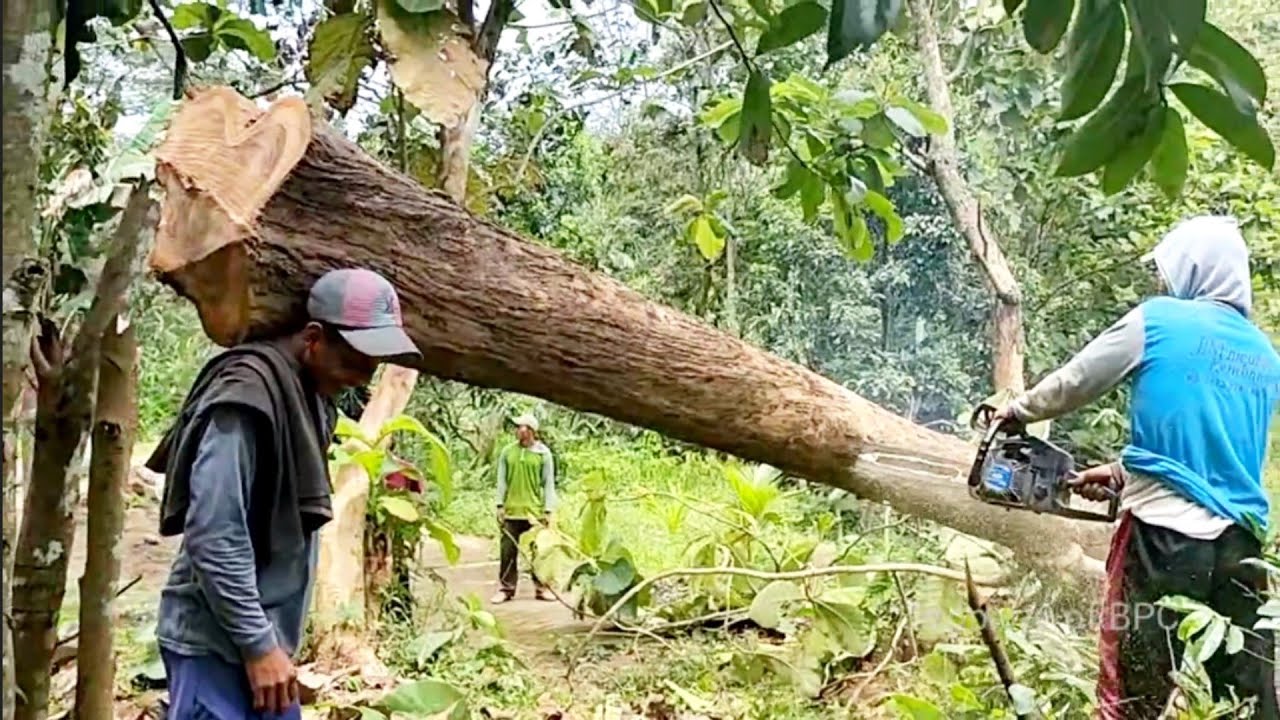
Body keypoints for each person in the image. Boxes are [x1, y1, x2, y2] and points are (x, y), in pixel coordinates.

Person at [994, 216, 1279, 719]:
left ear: (1193, 269)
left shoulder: (1161, 319)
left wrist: (1018, 410)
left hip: (1163, 542)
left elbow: (1079, 379)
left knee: (1134, 692)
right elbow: (1211, 448)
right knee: (1250, 698)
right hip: (1242, 551)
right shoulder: (1264, 355)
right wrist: (1125, 470)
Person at [146, 268, 420, 719]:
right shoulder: (246, 397)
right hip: (219, 647)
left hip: (260, 646)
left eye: (370, 367)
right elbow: (215, 531)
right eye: (353, 361)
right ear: (313, 338)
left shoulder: (309, 393)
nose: (360, 378)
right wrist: (257, 645)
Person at [492, 412, 558, 604]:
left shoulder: (543, 454)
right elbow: (502, 480)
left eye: (523, 427)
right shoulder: (508, 452)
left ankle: (542, 587)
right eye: (517, 427)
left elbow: (548, 484)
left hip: (533, 512)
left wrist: (547, 510)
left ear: (531, 431)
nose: (519, 430)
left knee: (539, 552)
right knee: (507, 551)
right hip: (512, 511)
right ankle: (506, 588)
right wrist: (499, 505)